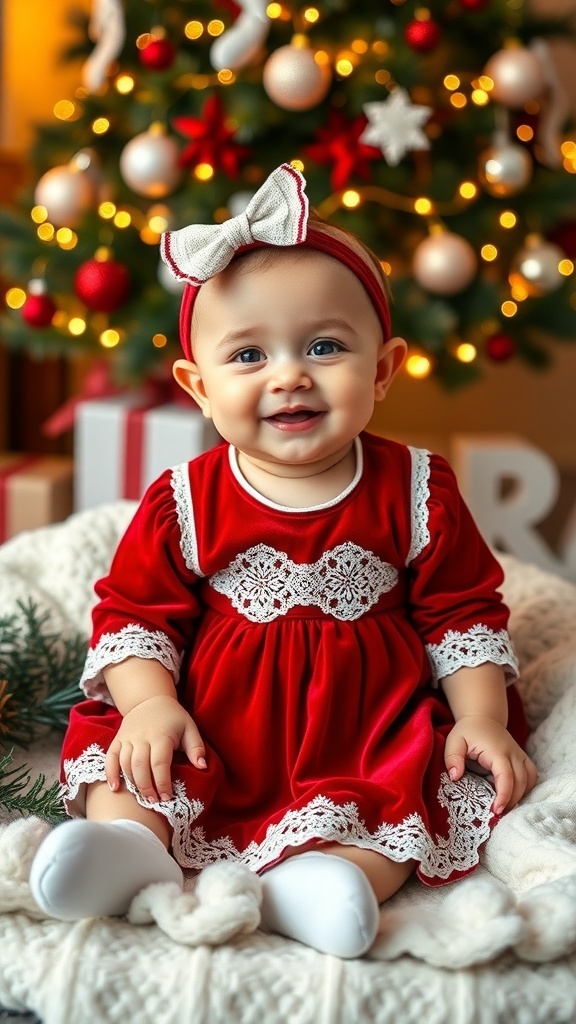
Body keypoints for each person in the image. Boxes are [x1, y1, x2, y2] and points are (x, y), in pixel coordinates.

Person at [29, 163, 537, 959]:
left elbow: (462, 614)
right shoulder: (185, 499)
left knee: (405, 796)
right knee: (140, 764)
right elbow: (133, 616)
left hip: (361, 724)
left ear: (384, 369)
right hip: (215, 722)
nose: (289, 375)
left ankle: (335, 881)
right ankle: (129, 846)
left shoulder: (418, 488)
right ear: (197, 387)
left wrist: (478, 717)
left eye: (325, 346)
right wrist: (151, 705)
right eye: (248, 357)